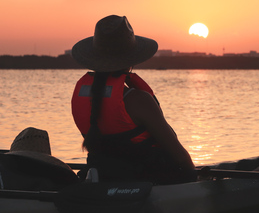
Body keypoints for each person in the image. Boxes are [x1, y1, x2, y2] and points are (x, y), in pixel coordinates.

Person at [71, 15, 196, 184]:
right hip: (145, 182)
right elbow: (180, 157)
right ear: (131, 60)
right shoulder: (138, 100)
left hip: (101, 178)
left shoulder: (83, 97)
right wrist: (195, 178)